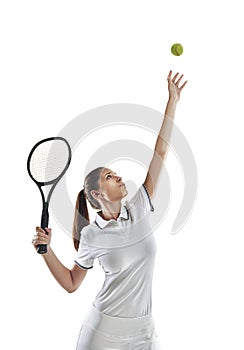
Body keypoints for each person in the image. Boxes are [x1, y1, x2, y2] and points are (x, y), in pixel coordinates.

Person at [32, 70, 187, 349]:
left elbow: (160, 152)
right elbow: (71, 283)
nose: (118, 177)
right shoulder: (91, 235)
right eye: (109, 177)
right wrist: (47, 249)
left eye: (116, 173)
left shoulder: (139, 206)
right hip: (102, 335)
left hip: (143, 333)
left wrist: (172, 101)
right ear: (97, 193)